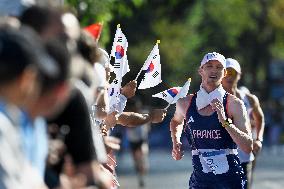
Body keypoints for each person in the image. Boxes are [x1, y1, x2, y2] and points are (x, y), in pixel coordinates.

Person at [170, 52, 253, 189]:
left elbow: (247, 146)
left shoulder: (234, 104)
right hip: (200, 182)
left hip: (230, 181)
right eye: (209, 66)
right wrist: (176, 141)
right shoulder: (185, 103)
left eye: (219, 67)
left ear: (224, 73)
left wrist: (226, 122)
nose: (214, 70)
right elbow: (176, 121)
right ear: (200, 70)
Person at [222, 58, 265, 189]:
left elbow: (260, 118)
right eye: (226, 72)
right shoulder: (213, 99)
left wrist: (258, 139)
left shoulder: (250, 99)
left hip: (244, 157)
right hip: (221, 158)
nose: (229, 77)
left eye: (233, 73)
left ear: (239, 75)